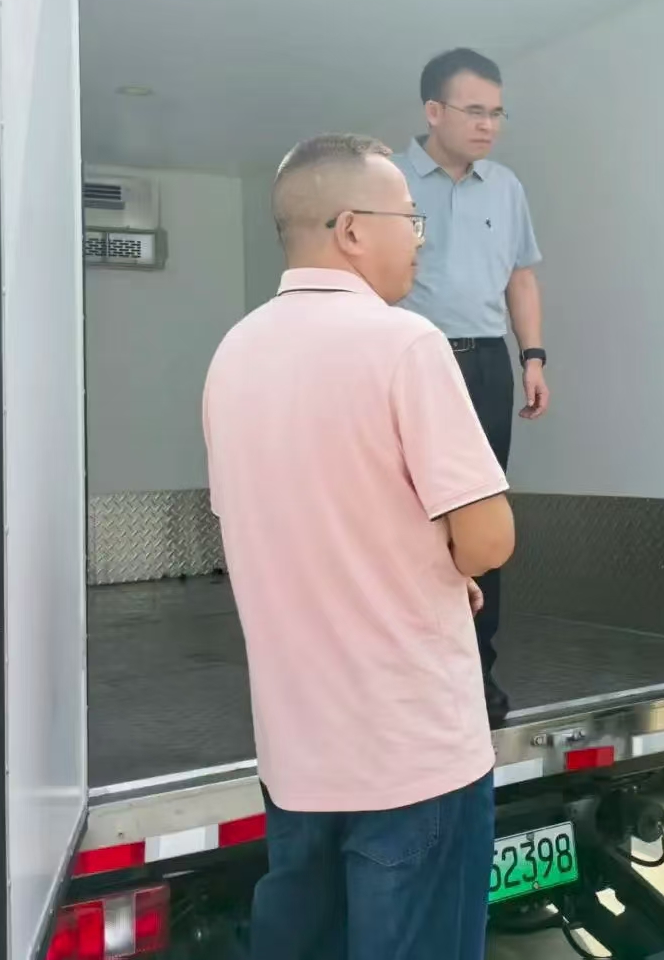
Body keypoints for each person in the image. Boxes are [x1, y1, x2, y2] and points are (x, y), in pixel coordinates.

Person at [203, 134, 515, 960]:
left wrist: (420, 564)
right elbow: (488, 539)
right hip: (414, 758)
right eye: (409, 218)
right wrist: (451, 564)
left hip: (298, 760)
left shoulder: (233, 355)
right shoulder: (404, 342)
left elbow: (296, 528)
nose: (419, 237)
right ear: (350, 229)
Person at [395, 48, 547, 728]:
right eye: (475, 111)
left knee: (478, 521)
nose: (489, 125)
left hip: (485, 363)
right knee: (405, 519)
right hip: (409, 361)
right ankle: (407, 677)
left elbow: (521, 276)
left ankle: (475, 676)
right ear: (434, 111)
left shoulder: (505, 187)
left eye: (498, 113)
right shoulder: (387, 180)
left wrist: (532, 357)